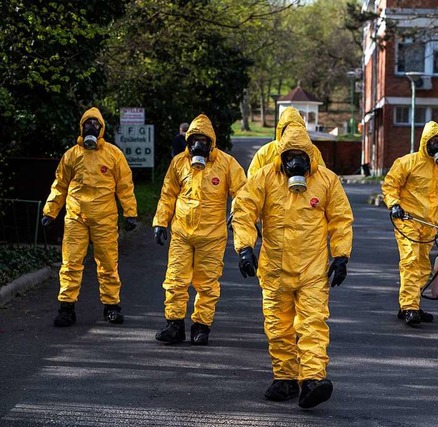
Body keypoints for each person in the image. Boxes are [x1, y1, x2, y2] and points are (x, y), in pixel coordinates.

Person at [232, 121, 353, 409]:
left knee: (312, 323)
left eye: (300, 156)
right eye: (289, 156)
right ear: (281, 157)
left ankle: (311, 379)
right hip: (274, 266)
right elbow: (243, 210)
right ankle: (284, 378)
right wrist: (245, 247)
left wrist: (341, 255)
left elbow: (341, 219)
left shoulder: (326, 180)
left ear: (310, 156)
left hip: (312, 268)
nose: (294, 162)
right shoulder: (264, 178)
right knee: (278, 325)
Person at [153, 114, 246, 345]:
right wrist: (160, 222)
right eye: (195, 139)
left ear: (211, 142)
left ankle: (201, 326)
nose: (199, 144)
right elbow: (168, 195)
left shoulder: (227, 164)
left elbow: (243, 193)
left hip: (212, 236)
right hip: (182, 234)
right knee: (175, 279)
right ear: (188, 140)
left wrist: (237, 212)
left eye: (204, 140)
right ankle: (174, 325)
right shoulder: (178, 163)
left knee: (207, 283)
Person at [42, 107, 138, 327]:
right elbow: (60, 185)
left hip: (104, 218)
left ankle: (112, 306)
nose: (91, 127)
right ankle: (66, 308)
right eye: (88, 123)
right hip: (76, 216)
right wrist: (50, 210)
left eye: (95, 124)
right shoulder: (72, 155)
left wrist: (130, 212)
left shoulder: (113, 154)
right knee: (71, 262)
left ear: (101, 128)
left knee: (108, 263)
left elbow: (125, 185)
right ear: (81, 127)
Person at [381, 121, 438, 326]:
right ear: (425, 142)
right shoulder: (407, 162)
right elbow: (390, 185)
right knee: (410, 261)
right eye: (433, 141)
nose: (437, 145)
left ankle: (410, 303)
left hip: (429, 224)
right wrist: (394, 205)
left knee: (423, 266)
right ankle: (410, 307)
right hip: (407, 220)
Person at [247, 107, 325, 178]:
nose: (292, 134)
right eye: (290, 155)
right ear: (281, 131)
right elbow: (253, 183)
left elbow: (323, 178)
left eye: (296, 129)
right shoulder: (265, 152)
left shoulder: (313, 151)